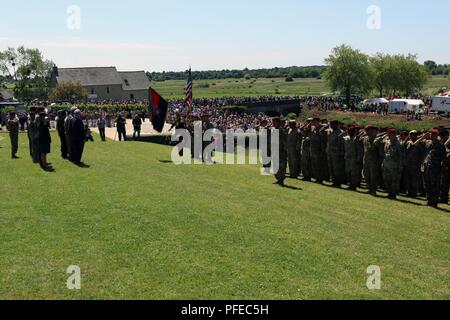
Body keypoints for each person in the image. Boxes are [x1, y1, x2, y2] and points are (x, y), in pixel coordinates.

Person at [417, 130, 446, 208]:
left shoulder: (440, 146)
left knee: (435, 186)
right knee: (427, 185)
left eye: (434, 135)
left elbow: (444, 159)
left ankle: (434, 203)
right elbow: (416, 143)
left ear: (437, 135)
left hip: (435, 169)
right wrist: (423, 136)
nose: (432, 136)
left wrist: (442, 169)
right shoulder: (427, 143)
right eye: (431, 135)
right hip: (426, 168)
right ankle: (429, 201)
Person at [382, 128, 405, 200]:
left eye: (392, 134)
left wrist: (400, 167)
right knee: (387, 180)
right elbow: (385, 152)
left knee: (394, 181)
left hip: (395, 166)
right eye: (389, 134)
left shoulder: (399, 144)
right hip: (386, 164)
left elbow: (402, 157)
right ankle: (389, 193)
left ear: (395, 135)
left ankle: (393, 194)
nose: (390, 135)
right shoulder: (387, 142)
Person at [326, 120, 346, 188]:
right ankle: (334, 182)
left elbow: (342, 144)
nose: (331, 126)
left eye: (333, 125)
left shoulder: (340, 132)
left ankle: (338, 183)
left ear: (337, 125)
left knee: (337, 169)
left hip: (337, 154)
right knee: (331, 168)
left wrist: (341, 153)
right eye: (331, 125)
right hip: (330, 153)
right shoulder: (331, 131)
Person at [273, 117, 287, 186]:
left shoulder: (281, 131)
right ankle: (279, 179)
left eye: (275, 122)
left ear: (278, 123)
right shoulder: (275, 130)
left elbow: (285, 141)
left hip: (280, 151)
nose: (273, 124)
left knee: (281, 167)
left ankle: (281, 180)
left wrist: (283, 150)